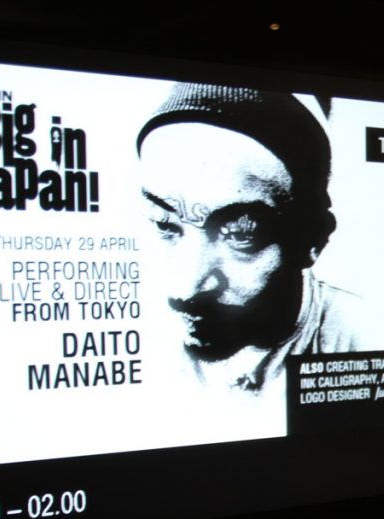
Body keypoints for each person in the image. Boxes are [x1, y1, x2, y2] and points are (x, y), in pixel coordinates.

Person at [136, 83, 362, 398]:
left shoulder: (368, 336)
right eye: (164, 224)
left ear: (312, 239)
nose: (185, 288)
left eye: (241, 234)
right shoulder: (144, 347)